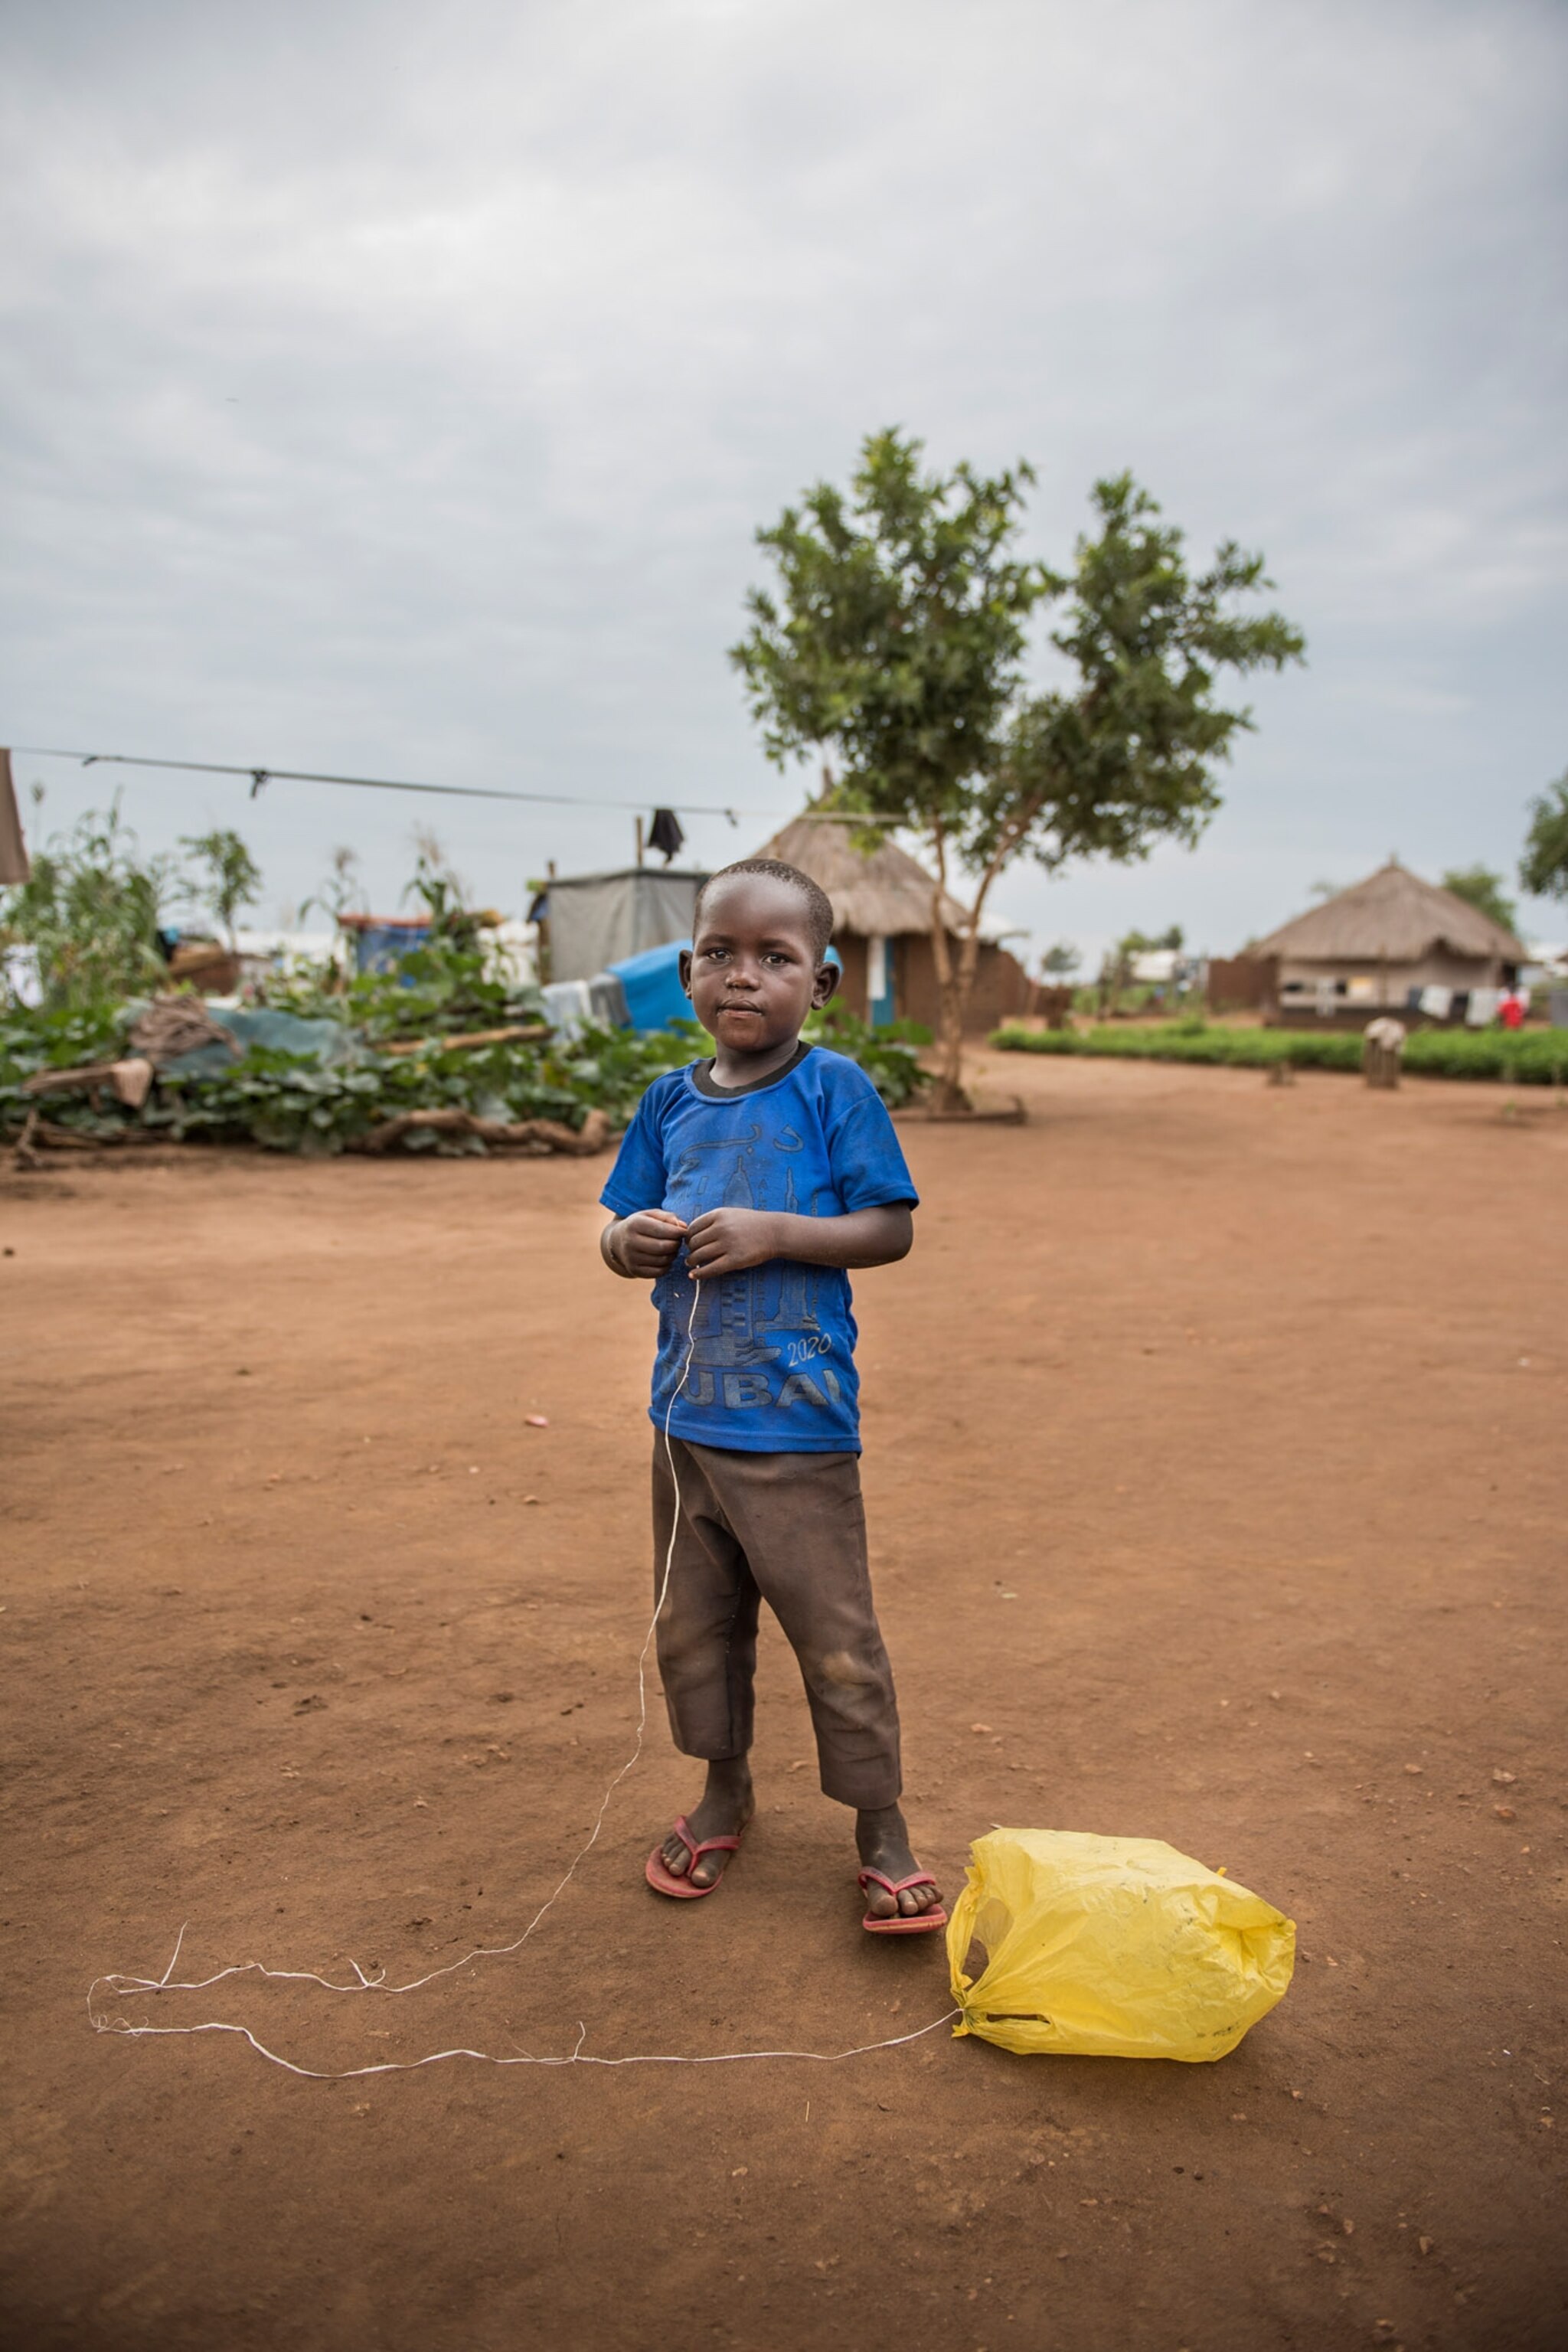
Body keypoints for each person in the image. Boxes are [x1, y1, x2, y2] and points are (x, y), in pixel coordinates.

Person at [597, 857, 945, 1936]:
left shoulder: (833, 1088)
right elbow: (615, 1230)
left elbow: (888, 1228)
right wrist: (628, 1240)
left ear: (824, 981)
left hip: (796, 1421)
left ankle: (880, 1826)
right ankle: (722, 1787)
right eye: (719, 954)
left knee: (836, 1635)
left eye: (775, 959)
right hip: (685, 1422)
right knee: (694, 1627)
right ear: (688, 973)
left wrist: (776, 1233)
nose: (743, 978)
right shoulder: (667, 1103)